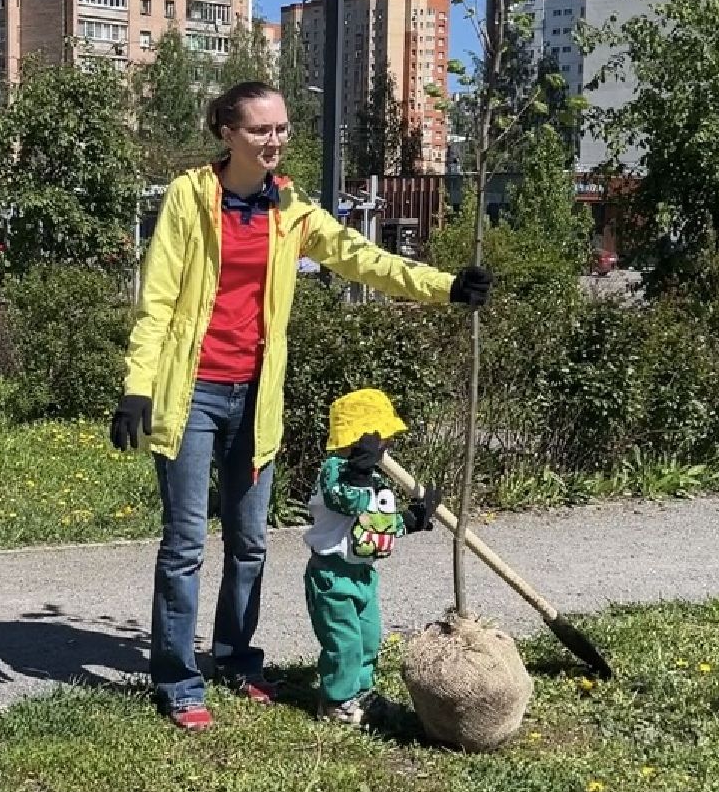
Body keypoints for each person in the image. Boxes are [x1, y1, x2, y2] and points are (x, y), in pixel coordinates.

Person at [110, 80, 491, 730]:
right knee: (183, 546)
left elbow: (357, 256)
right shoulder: (188, 197)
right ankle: (177, 679)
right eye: (261, 129)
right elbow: (158, 301)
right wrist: (137, 384)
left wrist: (445, 286)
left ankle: (234, 657)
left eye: (281, 128)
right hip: (191, 393)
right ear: (226, 133)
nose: (274, 140)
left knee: (251, 542)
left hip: (255, 400)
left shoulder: (290, 208)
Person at [303, 390, 438, 725]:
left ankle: (360, 691)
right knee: (344, 641)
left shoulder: (376, 480)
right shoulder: (334, 471)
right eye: (383, 438)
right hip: (331, 576)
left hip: (363, 574)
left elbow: (377, 522)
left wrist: (413, 519)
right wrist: (358, 471)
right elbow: (344, 501)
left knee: (368, 638)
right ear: (362, 439)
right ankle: (336, 701)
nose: (388, 445)